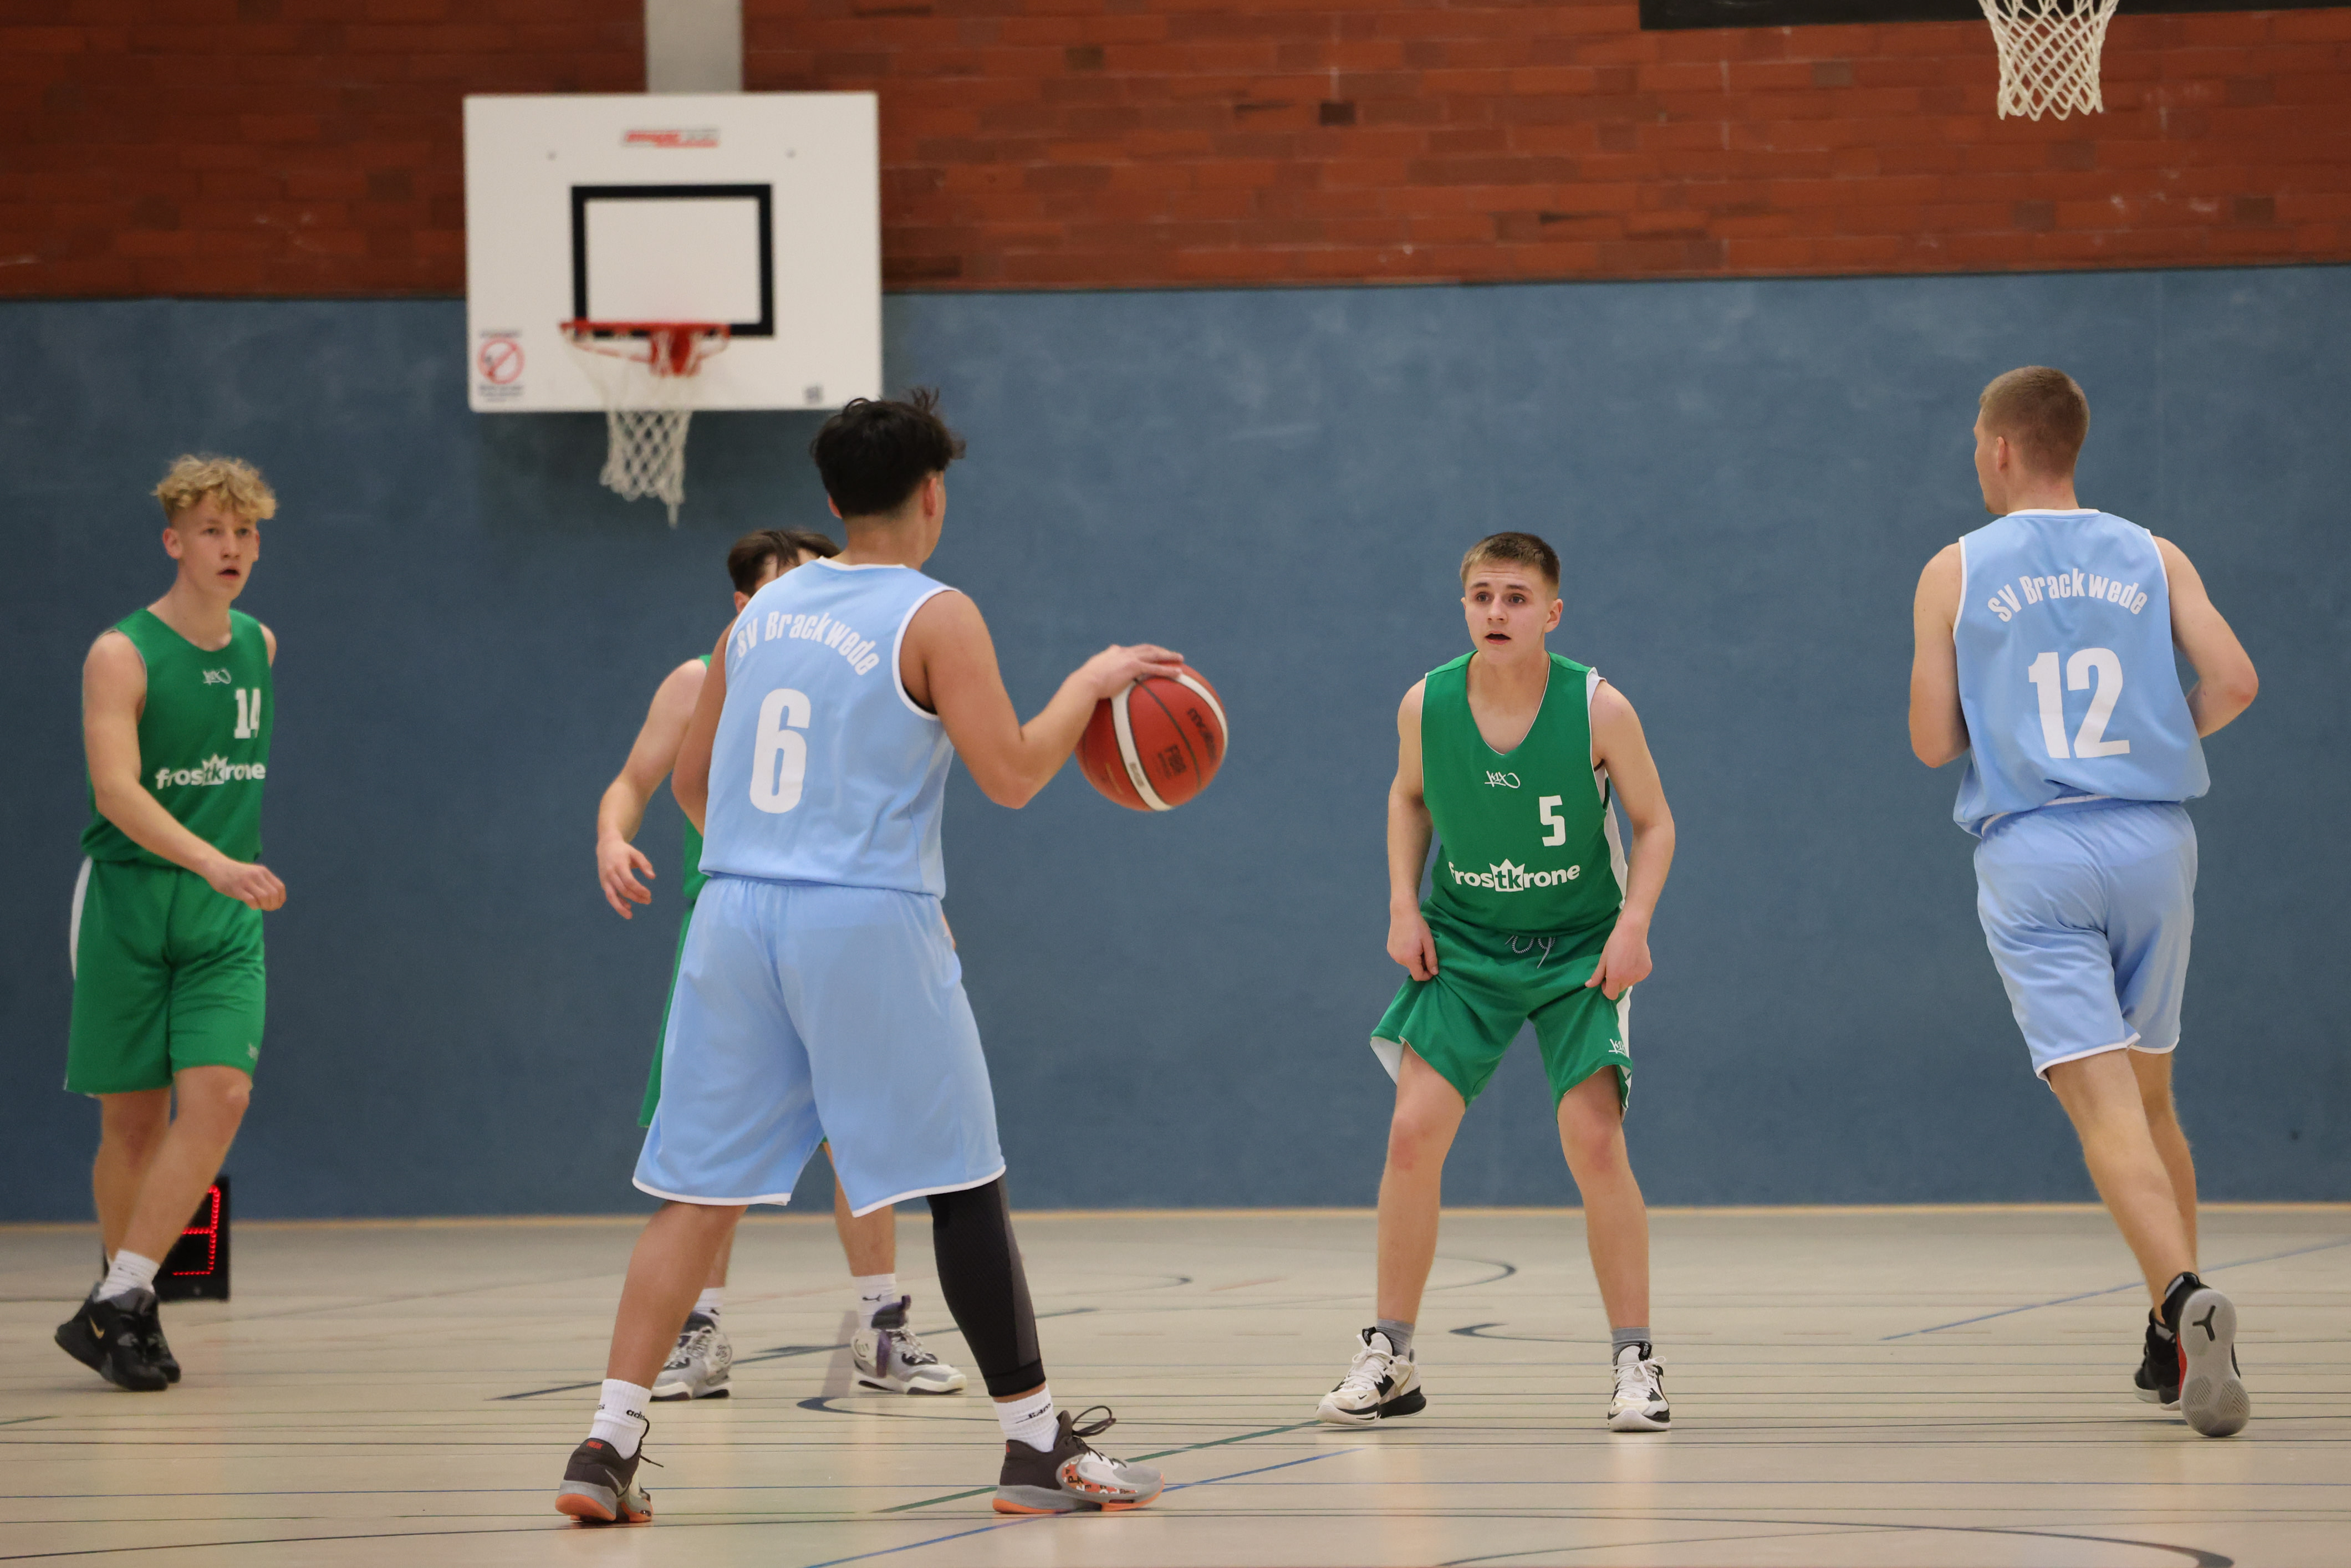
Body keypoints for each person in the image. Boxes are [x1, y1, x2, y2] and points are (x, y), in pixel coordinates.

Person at [556, 391, 1174, 1524]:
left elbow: (692, 783)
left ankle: (607, 1440)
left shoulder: (761, 614)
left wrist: (769, 856)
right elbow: (1012, 773)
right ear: (933, 493)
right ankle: (1035, 1443)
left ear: (834, 498)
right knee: (963, 1180)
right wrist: (1087, 687)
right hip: (862, 917)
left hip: (733, 913)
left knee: (695, 1198)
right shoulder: (935, 611)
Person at [1909, 366, 2258, 1439]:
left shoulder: (1955, 568)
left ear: (2002, 448)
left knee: (2103, 1110)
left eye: (1977, 442)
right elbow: (2236, 681)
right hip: (2154, 839)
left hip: (2038, 849)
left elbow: (1931, 740)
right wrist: (2151, 739)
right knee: (2153, 1101)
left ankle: (2184, 1294)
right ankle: (2169, 1330)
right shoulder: (2155, 553)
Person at [596, 525, 966, 1402]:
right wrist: (611, 836)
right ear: (742, 606)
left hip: (836, 931)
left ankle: (882, 1327)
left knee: (860, 1136)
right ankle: (699, 1333)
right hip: (732, 934)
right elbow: (637, 780)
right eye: (785, 586)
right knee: (707, 1152)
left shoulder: (845, 676)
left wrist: (918, 912)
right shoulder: (700, 679)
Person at [1319, 532, 1677, 1433]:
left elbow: (1655, 823)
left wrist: (1634, 924)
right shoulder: (1427, 702)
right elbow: (1407, 796)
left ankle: (1635, 1360)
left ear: (1551, 613)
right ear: (1463, 606)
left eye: (1515, 597)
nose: (1496, 611)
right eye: (1481, 595)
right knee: (1411, 1133)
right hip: (1466, 943)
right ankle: (1390, 1355)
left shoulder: (1598, 706)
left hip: (1578, 949)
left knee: (1593, 1141)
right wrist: (1402, 903)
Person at [55, 456, 285, 1392]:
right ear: (174, 542)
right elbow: (116, 791)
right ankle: (129, 1314)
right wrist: (211, 859)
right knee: (133, 1120)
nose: (231, 548)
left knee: (221, 1094)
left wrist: (222, 872)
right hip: (128, 899)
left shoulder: (260, 643)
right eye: (212, 532)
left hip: (223, 911)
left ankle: (122, 1291)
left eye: (245, 532)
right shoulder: (121, 652)